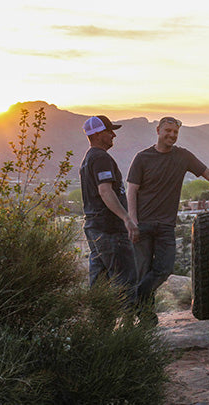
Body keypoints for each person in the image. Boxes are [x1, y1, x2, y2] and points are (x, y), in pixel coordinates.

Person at [127, 116, 209, 318]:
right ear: (158, 131)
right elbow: (131, 191)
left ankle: (135, 298)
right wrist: (132, 221)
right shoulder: (142, 158)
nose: (171, 135)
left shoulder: (183, 157)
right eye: (168, 131)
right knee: (143, 272)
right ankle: (146, 317)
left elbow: (208, 173)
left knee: (164, 269)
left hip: (165, 225)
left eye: (175, 133)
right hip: (142, 224)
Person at [79, 115, 139, 302]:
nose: (113, 135)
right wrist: (126, 218)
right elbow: (105, 191)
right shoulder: (101, 158)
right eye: (109, 131)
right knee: (126, 279)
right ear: (97, 134)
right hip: (109, 228)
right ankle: (133, 326)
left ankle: (99, 325)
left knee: (100, 281)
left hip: (94, 226)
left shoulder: (88, 158)